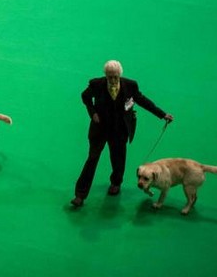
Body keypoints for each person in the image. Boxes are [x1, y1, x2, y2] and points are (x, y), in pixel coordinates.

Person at [71, 60, 173, 207]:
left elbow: (143, 101)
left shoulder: (131, 86)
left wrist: (162, 114)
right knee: (92, 159)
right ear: (105, 75)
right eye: (109, 77)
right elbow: (85, 97)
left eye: (115, 77)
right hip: (100, 128)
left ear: (120, 74)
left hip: (120, 129)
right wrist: (92, 112)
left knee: (118, 158)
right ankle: (80, 195)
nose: (112, 80)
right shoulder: (96, 84)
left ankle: (116, 183)